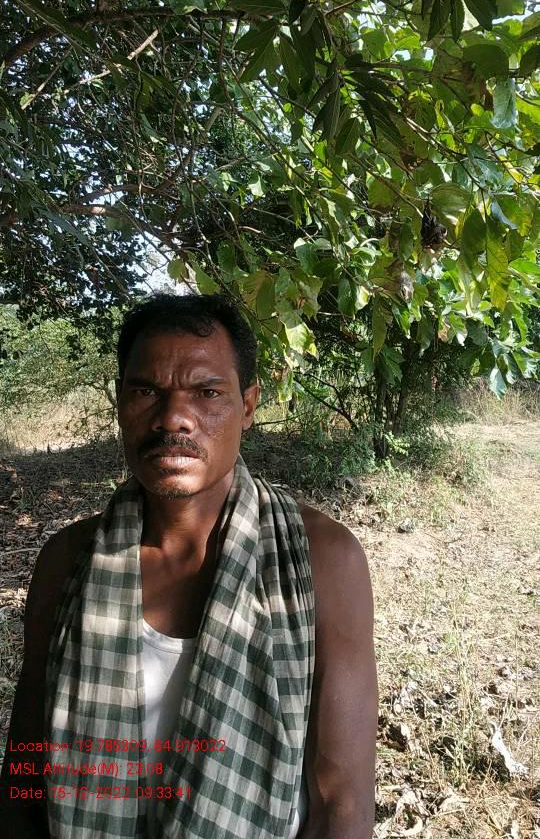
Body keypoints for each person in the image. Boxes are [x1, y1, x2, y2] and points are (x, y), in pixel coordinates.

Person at [1, 293, 378, 839]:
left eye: (207, 393)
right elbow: (25, 775)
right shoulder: (67, 562)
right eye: (146, 391)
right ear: (119, 402)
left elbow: (342, 801)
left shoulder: (321, 560)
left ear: (248, 406)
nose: (173, 417)